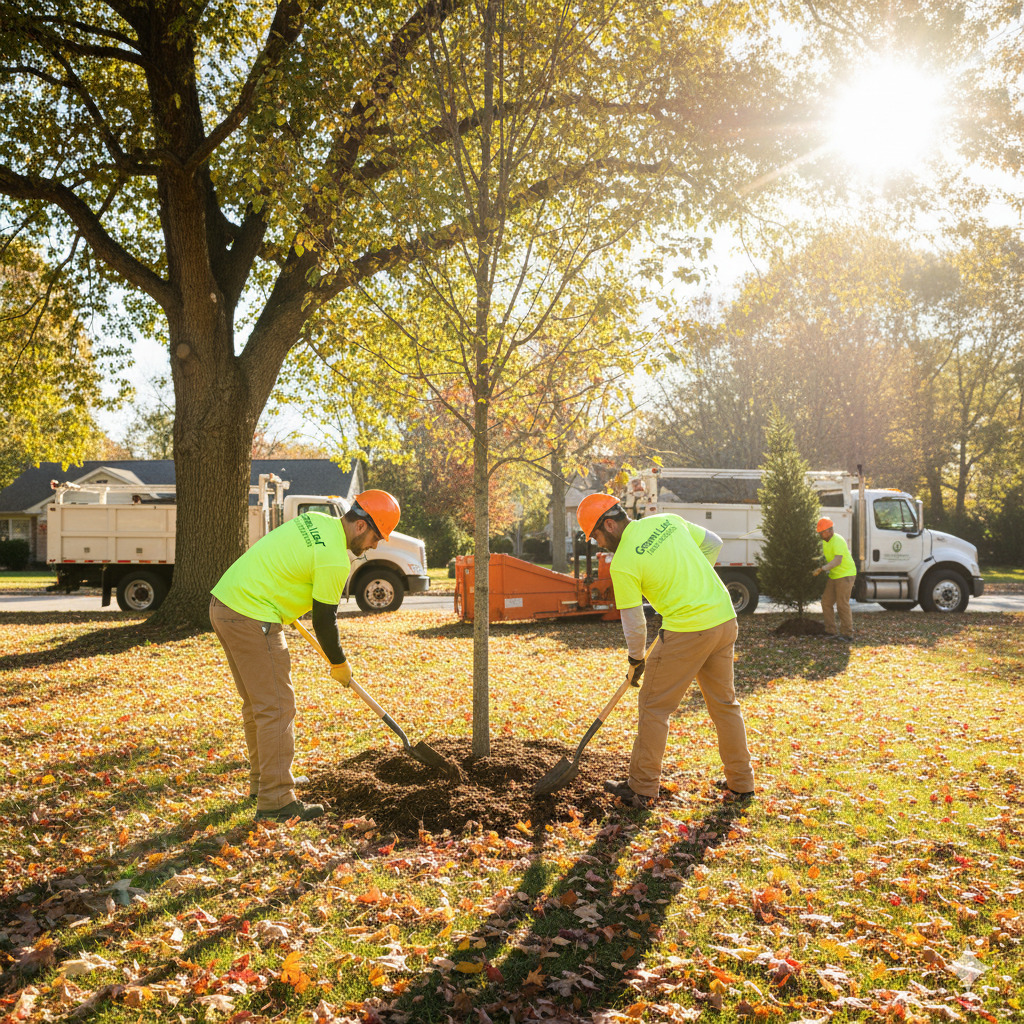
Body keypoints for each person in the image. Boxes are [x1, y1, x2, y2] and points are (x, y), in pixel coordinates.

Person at [209, 490, 401, 822]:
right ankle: (277, 801)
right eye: (376, 537)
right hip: (252, 615)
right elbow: (325, 621)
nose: (374, 545)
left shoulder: (314, 521)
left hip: (225, 604)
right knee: (277, 707)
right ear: (360, 526)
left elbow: (284, 557)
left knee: (258, 705)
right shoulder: (334, 559)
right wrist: (339, 663)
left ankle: (265, 782)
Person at [576, 493, 755, 809]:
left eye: (597, 537)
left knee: (654, 705)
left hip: (688, 630)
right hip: (724, 619)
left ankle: (642, 789)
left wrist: (635, 659)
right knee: (725, 704)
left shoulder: (624, 563)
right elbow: (714, 543)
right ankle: (741, 783)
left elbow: (634, 621)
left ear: (609, 524)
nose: (599, 544)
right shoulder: (667, 521)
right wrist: (692, 584)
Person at [812, 516, 856, 641]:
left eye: (822, 532)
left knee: (842, 604)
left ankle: (847, 634)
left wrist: (822, 569)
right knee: (826, 602)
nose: (820, 534)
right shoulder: (825, 541)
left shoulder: (838, 540)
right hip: (835, 575)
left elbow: (837, 560)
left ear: (829, 531)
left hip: (846, 574)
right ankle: (830, 631)